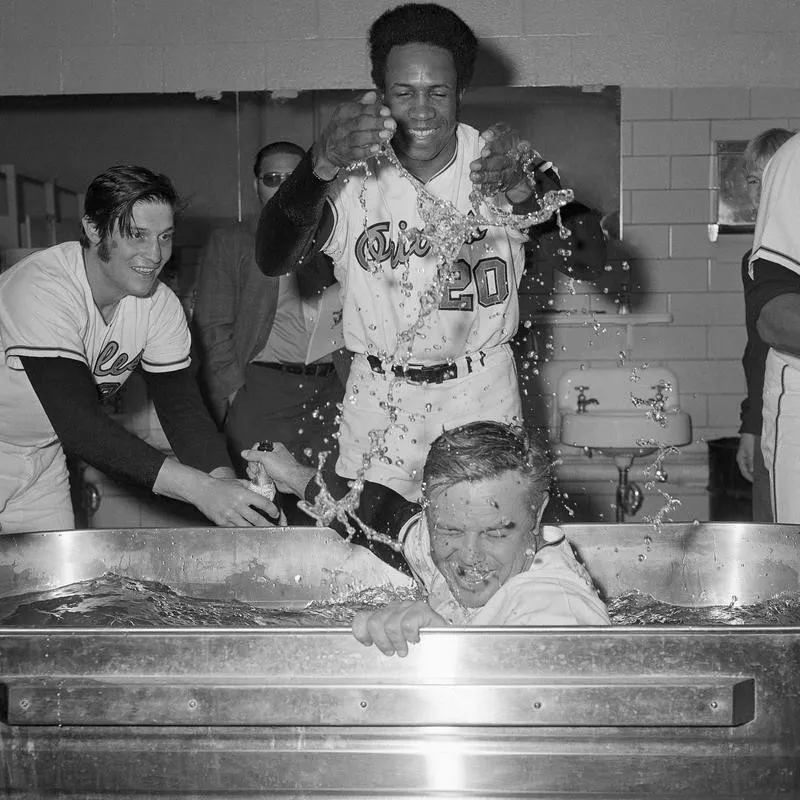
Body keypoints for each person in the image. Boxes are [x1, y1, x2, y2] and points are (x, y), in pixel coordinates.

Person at [254, 3, 605, 501]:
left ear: (460, 91)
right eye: (404, 92)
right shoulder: (349, 171)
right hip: (381, 396)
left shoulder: (498, 162)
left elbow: (593, 260)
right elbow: (273, 258)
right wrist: (321, 161)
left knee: (485, 546)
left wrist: (531, 195)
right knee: (370, 554)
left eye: (437, 92)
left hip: (479, 390)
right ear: (381, 94)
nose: (421, 109)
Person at [0, 164, 278, 534]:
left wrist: (224, 482)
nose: (155, 253)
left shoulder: (158, 303)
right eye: (137, 235)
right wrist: (200, 490)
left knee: (50, 587)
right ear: (93, 229)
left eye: (165, 237)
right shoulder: (44, 287)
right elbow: (80, 427)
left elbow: (182, 409)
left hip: (41, 457)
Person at [244, 421, 611, 657]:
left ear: (538, 513)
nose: (469, 556)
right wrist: (292, 474)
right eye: (449, 530)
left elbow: (554, 699)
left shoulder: (555, 607)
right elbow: (380, 515)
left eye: (496, 533)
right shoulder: (447, 534)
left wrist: (449, 649)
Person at [193, 141, 346, 520]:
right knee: (257, 511)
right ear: (256, 185)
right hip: (260, 393)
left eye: (293, 178)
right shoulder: (233, 242)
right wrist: (233, 395)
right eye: (271, 178)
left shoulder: (340, 239)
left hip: (330, 393)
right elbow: (212, 324)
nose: (281, 186)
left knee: (333, 510)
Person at [735, 128, 794, 522]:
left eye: (769, 180)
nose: (760, 195)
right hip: (776, 406)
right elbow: (758, 349)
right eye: (754, 182)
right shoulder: (758, 261)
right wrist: (751, 424)